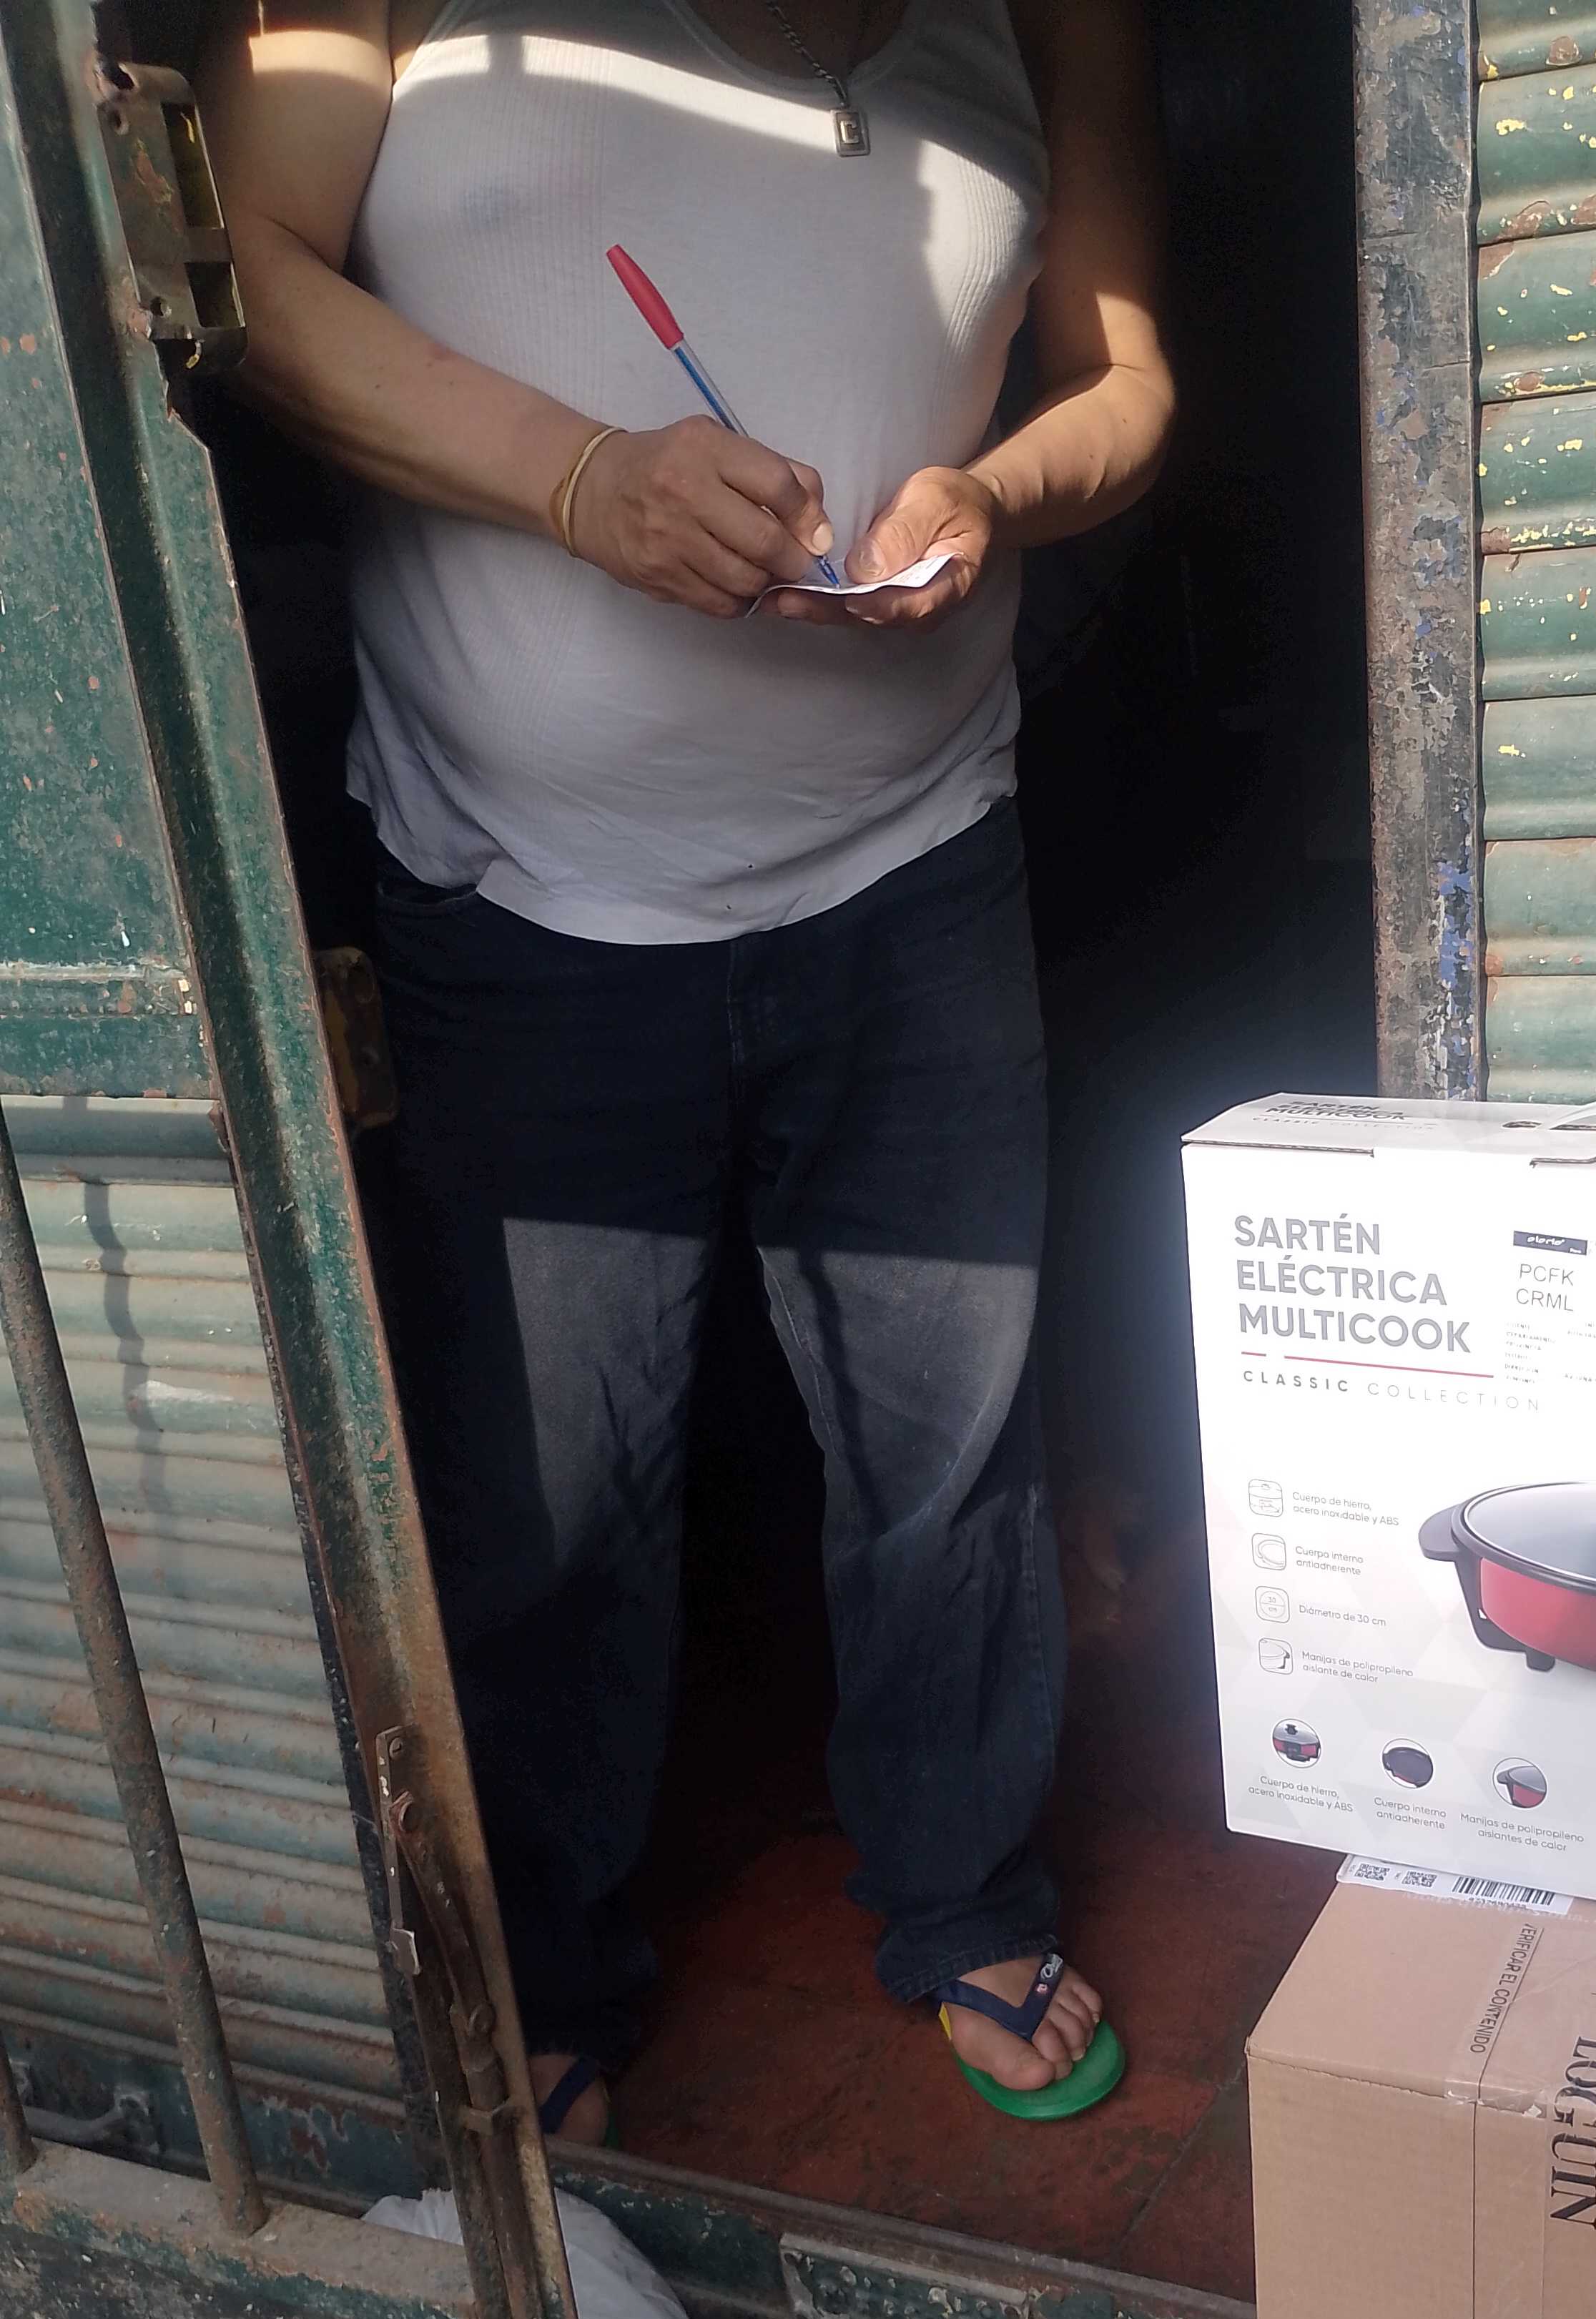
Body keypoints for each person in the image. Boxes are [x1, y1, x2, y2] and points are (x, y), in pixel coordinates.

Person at [201, 0, 1172, 2140]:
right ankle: (548, 1955)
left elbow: (1130, 385)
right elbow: (229, 272)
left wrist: (995, 493)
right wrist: (579, 478)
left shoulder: (1044, 18)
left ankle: (965, 1890)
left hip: (916, 868)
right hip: (521, 895)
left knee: (951, 1451)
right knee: (550, 1490)